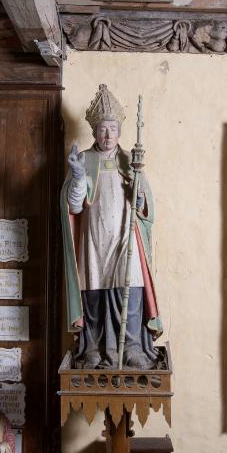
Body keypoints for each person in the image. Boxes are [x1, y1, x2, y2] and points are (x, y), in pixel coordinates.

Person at [61, 84, 162, 369]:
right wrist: (77, 177)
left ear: (120, 132)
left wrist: (138, 194)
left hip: (124, 236)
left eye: (113, 129)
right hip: (93, 239)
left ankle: (131, 347)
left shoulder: (131, 161)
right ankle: (93, 347)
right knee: (94, 291)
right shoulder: (84, 160)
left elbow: (145, 208)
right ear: (94, 132)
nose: (107, 135)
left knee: (131, 288)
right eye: (103, 129)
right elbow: (74, 207)